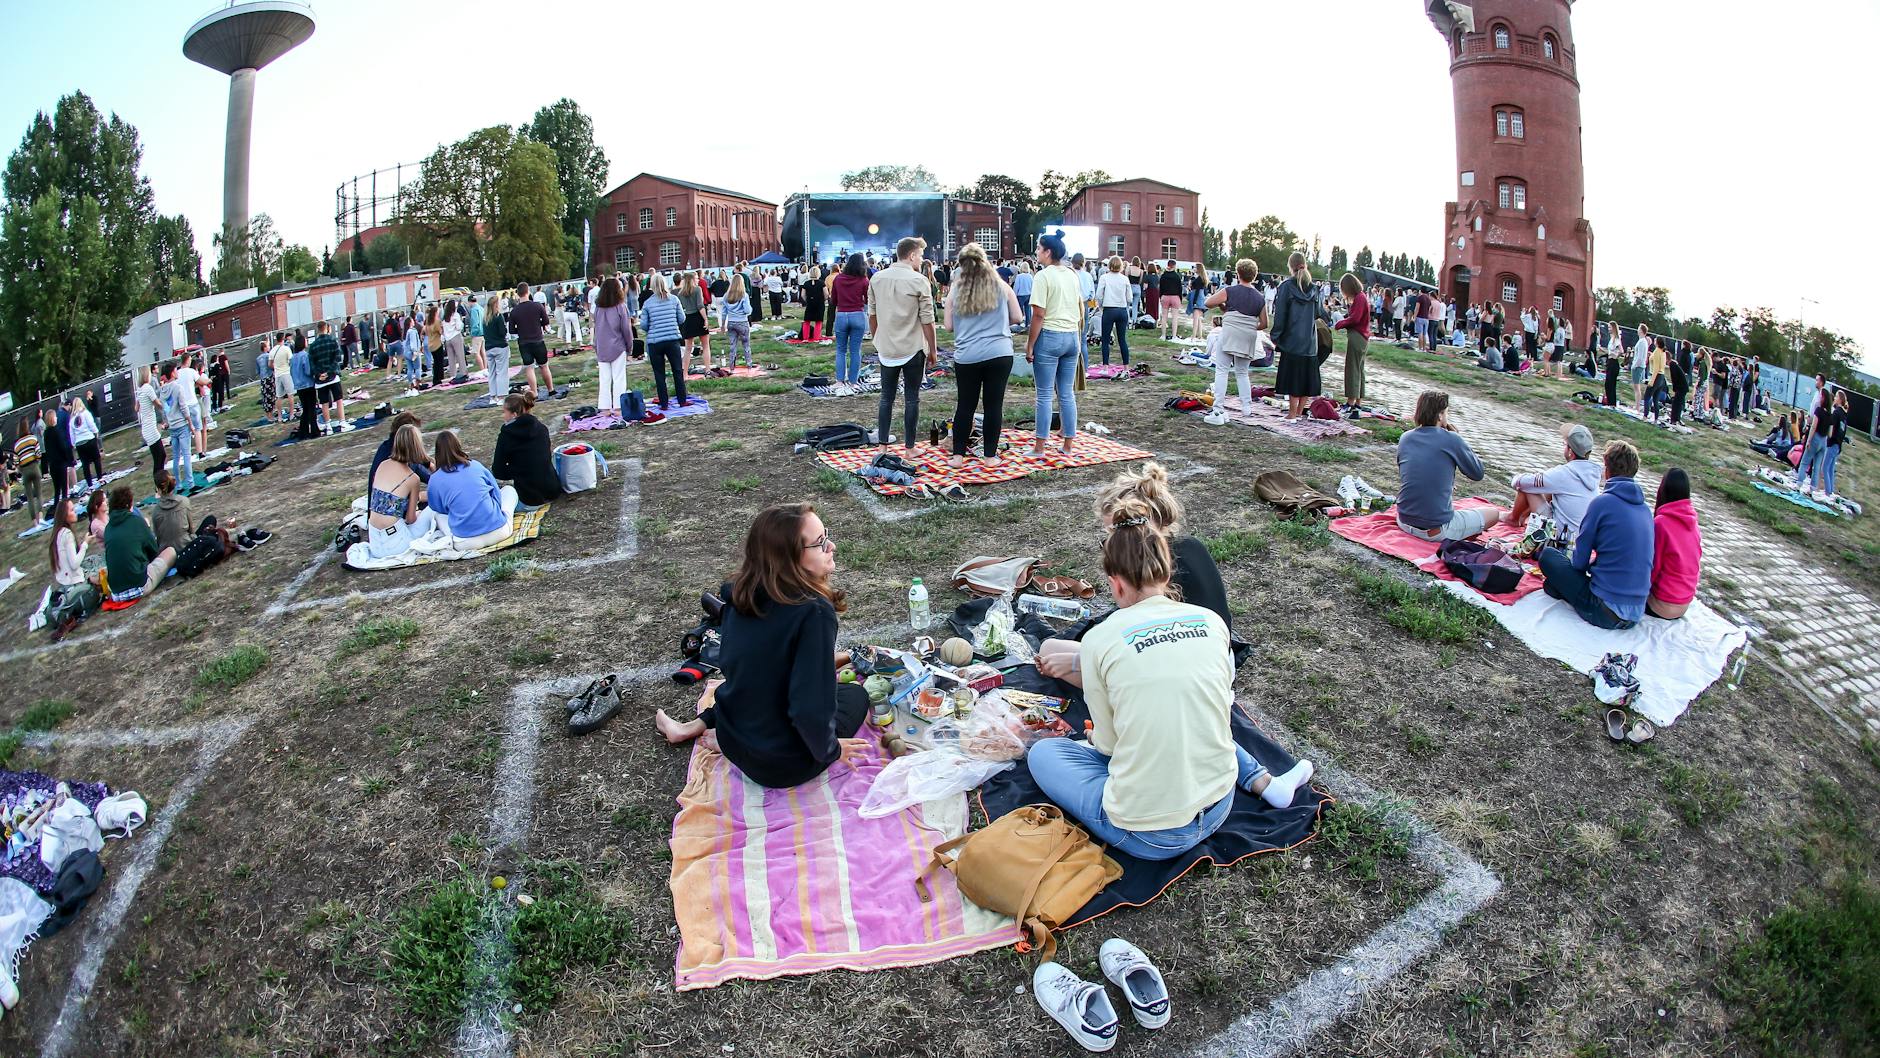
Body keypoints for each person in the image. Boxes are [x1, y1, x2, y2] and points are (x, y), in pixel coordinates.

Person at [1025, 496, 1314, 862]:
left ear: (1115, 584)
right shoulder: (1211, 622)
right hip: (1220, 803)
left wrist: (1099, 737)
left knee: (1044, 753)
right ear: (1165, 572)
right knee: (1193, 718)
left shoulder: (1100, 638)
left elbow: (1110, 747)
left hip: (1155, 837)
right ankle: (1259, 781)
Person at [652, 503, 874, 790]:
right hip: (781, 766)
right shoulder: (813, 611)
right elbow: (809, 708)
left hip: (736, 737)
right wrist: (833, 752)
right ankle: (714, 732)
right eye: (820, 543)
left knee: (759, 684)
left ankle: (699, 726)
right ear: (789, 558)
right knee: (854, 695)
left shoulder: (740, 592)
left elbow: (755, 672)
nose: (831, 545)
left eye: (826, 535)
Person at [1539, 441, 1652, 630]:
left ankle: (1561, 588)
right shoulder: (1645, 511)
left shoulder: (1602, 503)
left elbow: (1579, 562)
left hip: (1604, 610)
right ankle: (1561, 588)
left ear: (1606, 469)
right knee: (1556, 583)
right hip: (1636, 613)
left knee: (1549, 556)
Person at [945, 243, 1021, 469]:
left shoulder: (956, 291)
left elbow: (948, 326)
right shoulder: (1001, 286)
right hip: (999, 352)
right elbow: (1017, 317)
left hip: (967, 355)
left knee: (965, 405)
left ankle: (957, 457)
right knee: (993, 405)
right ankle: (990, 457)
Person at [1395, 391, 1501, 540]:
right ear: (1440, 415)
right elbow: (1477, 473)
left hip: (1403, 519)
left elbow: (1411, 472)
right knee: (1493, 514)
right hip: (1436, 529)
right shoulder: (1452, 439)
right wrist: (1459, 441)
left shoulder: (1406, 437)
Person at [867, 237, 938, 452]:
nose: (922, 259)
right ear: (912, 255)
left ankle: (882, 446)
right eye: (921, 255)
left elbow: (872, 314)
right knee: (911, 399)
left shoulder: (877, 278)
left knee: (886, 398)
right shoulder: (919, 281)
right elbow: (928, 320)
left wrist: (877, 338)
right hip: (912, 347)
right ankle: (909, 447)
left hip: (887, 347)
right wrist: (933, 350)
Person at [1026, 232, 1084, 457]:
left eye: (1039, 249)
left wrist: (1030, 344)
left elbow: (1038, 314)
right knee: (1067, 393)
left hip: (1050, 336)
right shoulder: (1072, 274)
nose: (1037, 252)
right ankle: (1068, 445)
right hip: (1072, 336)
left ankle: (1040, 447)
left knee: (1043, 394)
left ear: (1048, 252)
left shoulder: (1043, 276)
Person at [1502, 424, 1602, 543]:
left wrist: (1517, 478)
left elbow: (1521, 482)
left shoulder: (1564, 473)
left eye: (1564, 445)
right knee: (1548, 488)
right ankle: (1522, 518)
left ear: (1570, 451)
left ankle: (1513, 518)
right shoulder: (1593, 474)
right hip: (1579, 539)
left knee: (1529, 487)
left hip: (1559, 537)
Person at [423, 430, 518, 551]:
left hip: (465, 543)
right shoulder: (475, 465)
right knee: (509, 490)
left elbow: (438, 508)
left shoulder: (435, 479)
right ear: (458, 446)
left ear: (437, 452)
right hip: (500, 532)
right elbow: (496, 494)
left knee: (437, 516)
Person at [1201, 260, 1270, 424]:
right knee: (1242, 372)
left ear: (1237, 274)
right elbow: (1265, 323)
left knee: (1222, 370)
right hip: (1248, 336)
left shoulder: (1230, 291)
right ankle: (1247, 407)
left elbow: (1208, 302)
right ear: (1254, 276)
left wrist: (1224, 306)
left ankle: (1218, 409)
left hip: (1230, 332)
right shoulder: (1259, 298)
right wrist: (1250, 326)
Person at [1270, 252, 1331, 420]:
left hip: (1291, 339)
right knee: (1305, 378)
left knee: (1292, 377)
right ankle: (1298, 412)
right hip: (1310, 341)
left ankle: (1291, 414)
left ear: (1290, 266)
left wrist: (1275, 336)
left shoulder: (1286, 287)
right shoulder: (1314, 288)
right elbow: (1320, 313)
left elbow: (1280, 315)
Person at [364, 424, 436, 560]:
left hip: (374, 544)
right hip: (397, 545)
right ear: (417, 446)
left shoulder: (382, 465)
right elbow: (410, 519)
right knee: (433, 510)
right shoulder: (412, 478)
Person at [101, 485, 175, 604]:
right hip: (139, 585)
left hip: (115, 592)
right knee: (170, 551)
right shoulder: (136, 521)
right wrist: (146, 529)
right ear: (127, 505)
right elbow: (154, 553)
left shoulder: (108, 528)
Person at [492, 391, 564, 508]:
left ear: (514, 414)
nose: (503, 416)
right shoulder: (542, 428)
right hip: (553, 490)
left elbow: (498, 470)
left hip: (529, 498)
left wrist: (518, 471)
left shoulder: (506, 435)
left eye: (504, 412)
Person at [1647, 468, 1701, 621]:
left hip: (1661, 605)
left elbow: (1652, 566)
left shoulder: (1661, 523)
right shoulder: (1693, 523)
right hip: (1684, 603)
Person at [639, 272, 691, 409]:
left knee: (659, 373)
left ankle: (664, 403)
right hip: (672, 339)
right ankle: (682, 400)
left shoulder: (648, 303)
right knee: (677, 371)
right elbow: (682, 318)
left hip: (655, 342)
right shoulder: (674, 299)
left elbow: (643, 325)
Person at [592, 277, 635, 415]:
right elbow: (626, 329)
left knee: (604, 379)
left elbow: (596, 328)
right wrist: (630, 346)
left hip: (602, 347)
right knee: (619, 378)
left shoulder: (598, 308)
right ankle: (618, 407)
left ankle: (604, 408)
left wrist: (595, 345)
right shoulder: (621, 307)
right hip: (617, 346)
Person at [1329, 273, 1371, 415]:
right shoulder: (1361, 297)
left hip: (1357, 335)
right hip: (1362, 336)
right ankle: (1358, 401)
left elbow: (1355, 319)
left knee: (1352, 369)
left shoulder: (1359, 298)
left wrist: (1340, 323)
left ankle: (1351, 401)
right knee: (1359, 369)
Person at [832, 253, 870, 392]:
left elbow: (833, 300)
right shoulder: (863, 280)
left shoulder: (838, 279)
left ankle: (839, 380)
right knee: (855, 350)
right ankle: (853, 381)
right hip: (858, 315)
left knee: (841, 350)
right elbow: (867, 299)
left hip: (841, 314)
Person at [509, 282, 555, 395]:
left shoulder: (514, 311)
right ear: (528, 291)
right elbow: (546, 322)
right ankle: (551, 389)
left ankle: (534, 393)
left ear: (518, 294)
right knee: (544, 366)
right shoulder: (537, 306)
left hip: (524, 342)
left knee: (529, 368)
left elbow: (511, 330)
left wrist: (520, 330)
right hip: (538, 340)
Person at [309, 321, 345, 433]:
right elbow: (337, 358)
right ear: (327, 328)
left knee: (324, 403)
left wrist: (319, 374)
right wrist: (329, 372)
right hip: (333, 375)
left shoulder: (313, 345)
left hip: (320, 380)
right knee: (339, 400)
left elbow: (312, 364)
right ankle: (342, 423)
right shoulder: (332, 341)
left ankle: (328, 426)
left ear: (318, 329)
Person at [1096, 256, 1133, 366]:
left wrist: (1101, 306)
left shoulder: (1104, 277)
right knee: (1122, 340)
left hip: (1109, 309)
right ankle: (1126, 367)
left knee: (1106, 340)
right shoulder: (1125, 279)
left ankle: (1106, 366)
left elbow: (1099, 295)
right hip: (1122, 310)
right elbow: (1130, 298)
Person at [134, 367, 165, 487]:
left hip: (146, 427)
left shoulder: (140, 390)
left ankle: (160, 483)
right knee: (160, 456)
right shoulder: (147, 388)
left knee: (158, 456)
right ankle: (159, 485)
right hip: (151, 427)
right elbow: (158, 404)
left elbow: (136, 408)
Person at [150, 470, 194, 554]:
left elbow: (158, 537)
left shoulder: (156, 511)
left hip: (167, 552)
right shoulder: (184, 501)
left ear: (158, 489)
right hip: (186, 546)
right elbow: (191, 529)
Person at [67, 394, 102, 490]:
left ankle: (89, 483)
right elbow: (91, 424)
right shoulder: (86, 413)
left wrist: (74, 444)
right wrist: (96, 432)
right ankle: (100, 477)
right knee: (96, 459)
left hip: (79, 443)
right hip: (89, 439)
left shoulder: (72, 419)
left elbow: (71, 434)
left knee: (85, 464)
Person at [676, 272, 711, 371]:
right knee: (705, 345)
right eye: (696, 278)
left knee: (688, 349)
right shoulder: (697, 289)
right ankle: (707, 370)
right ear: (691, 280)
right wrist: (705, 319)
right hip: (698, 317)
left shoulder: (680, 293)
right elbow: (700, 306)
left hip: (687, 319)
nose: (698, 280)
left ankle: (685, 373)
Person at [290, 331, 320, 440]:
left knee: (305, 409)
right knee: (312, 409)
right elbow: (307, 371)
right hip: (307, 384)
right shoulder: (305, 355)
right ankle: (314, 431)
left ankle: (303, 432)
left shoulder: (293, 357)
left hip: (299, 386)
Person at [721, 274, 754, 369]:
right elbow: (747, 310)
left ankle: (731, 365)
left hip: (731, 322)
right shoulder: (744, 295)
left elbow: (724, 312)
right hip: (742, 322)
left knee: (732, 345)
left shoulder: (726, 296)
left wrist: (723, 325)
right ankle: (749, 364)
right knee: (746, 345)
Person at [13, 419, 43, 525]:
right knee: (39, 494)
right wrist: (36, 462)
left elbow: (16, 462)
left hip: (25, 471)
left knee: (29, 498)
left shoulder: (16, 444)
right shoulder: (33, 438)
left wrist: (21, 469)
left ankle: (34, 522)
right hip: (34, 467)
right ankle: (41, 518)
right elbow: (38, 454)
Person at [482, 294, 511, 401]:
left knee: (492, 373)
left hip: (489, 348)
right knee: (502, 372)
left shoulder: (485, 319)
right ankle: (502, 396)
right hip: (500, 346)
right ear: (496, 304)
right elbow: (502, 332)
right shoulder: (498, 317)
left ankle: (493, 396)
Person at [1156, 259, 1185, 341]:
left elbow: (1160, 288)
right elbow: (1180, 288)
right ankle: (1174, 336)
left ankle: (1163, 335)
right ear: (1174, 266)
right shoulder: (1177, 276)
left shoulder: (1163, 276)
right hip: (1175, 297)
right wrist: (1180, 299)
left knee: (1164, 317)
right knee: (1175, 317)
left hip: (1165, 296)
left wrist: (1161, 296)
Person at [1629, 323, 1652, 406]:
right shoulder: (1642, 341)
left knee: (1637, 387)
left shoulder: (1642, 341)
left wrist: (1634, 366)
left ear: (1641, 330)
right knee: (1637, 387)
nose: (1637, 330)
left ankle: (1637, 407)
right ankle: (1637, 405)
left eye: (1638, 328)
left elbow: (1640, 356)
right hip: (1639, 366)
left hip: (1638, 366)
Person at [799, 264, 826, 338]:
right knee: (818, 321)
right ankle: (816, 337)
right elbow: (826, 293)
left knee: (807, 321)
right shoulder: (822, 283)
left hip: (810, 303)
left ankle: (805, 338)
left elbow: (802, 295)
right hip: (819, 303)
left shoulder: (806, 283)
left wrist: (807, 300)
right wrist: (824, 299)